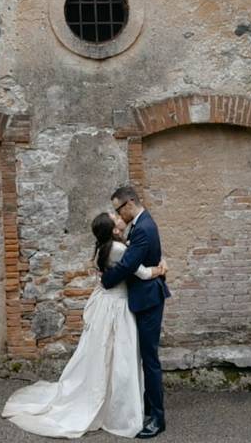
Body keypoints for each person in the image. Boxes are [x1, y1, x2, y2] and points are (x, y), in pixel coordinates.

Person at [2, 211, 167, 439]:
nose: (117, 216)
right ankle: (116, 407)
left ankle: (110, 397)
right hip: (116, 307)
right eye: (114, 216)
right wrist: (161, 268)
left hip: (106, 303)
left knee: (104, 353)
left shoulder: (105, 247)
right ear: (113, 229)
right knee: (119, 355)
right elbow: (141, 272)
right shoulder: (118, 250)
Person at [100, 185, 170, 439]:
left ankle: (157, 419)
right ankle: (149, 407)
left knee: (150, 359)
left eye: (118, 208)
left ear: (129, 203)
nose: (118, 214)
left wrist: (106, 281)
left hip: (148, 300)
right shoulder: (142, 224)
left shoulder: (143, 228)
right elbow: (148, 258)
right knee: (145, 357)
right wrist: (161, 267)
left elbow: (129, 264)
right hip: (145, 297)